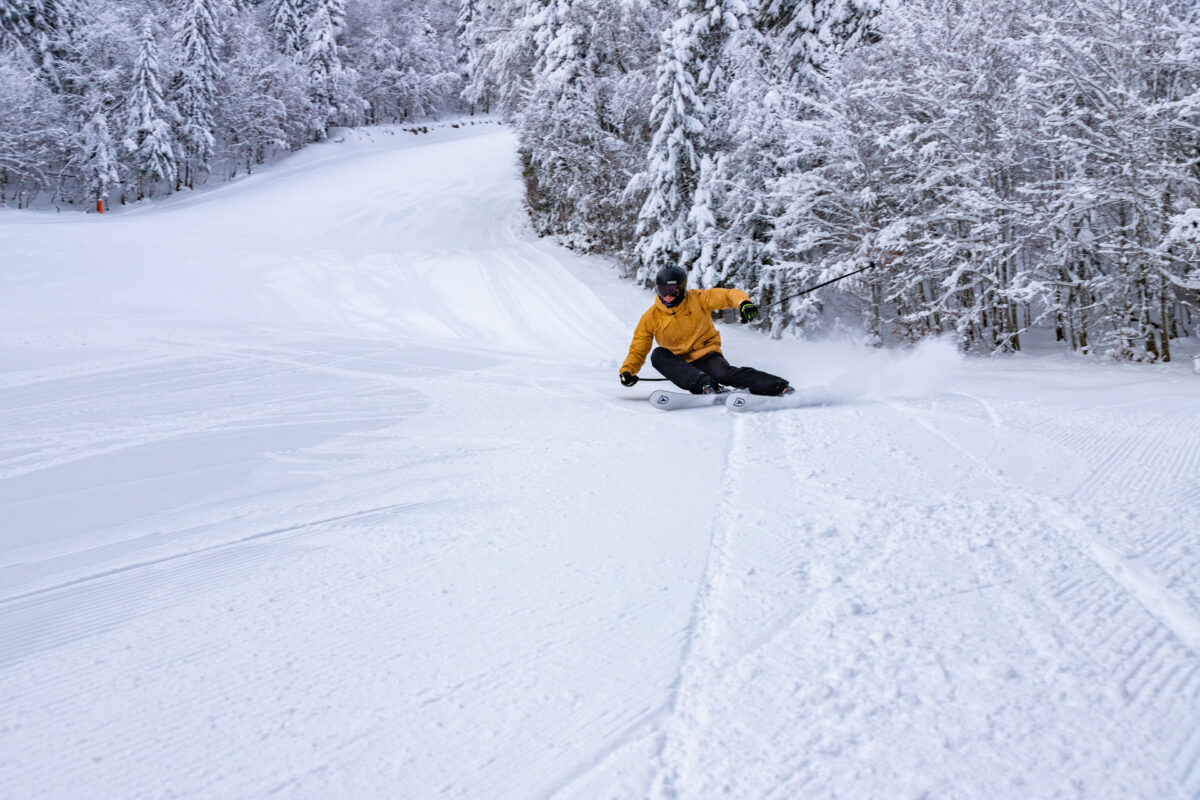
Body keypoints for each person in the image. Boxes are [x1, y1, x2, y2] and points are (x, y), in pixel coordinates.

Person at [619, 265, 793, 395]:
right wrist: (628, 371)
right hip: (680, 365)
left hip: (706, 355)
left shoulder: (698, 299)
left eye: (673, 290)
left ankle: (779, 387)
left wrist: (743, 304)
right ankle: (706, 386)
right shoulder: (651, 317)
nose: (668, 296)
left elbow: (728, 295)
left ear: (682, 288)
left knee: (724, 374)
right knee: (658, 355)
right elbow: (638, 348)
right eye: (663, 291)